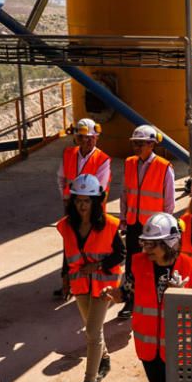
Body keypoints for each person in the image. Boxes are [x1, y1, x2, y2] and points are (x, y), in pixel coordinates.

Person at [101, 212, 192, 382]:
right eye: (145, 243)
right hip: (149, 348)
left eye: (153, 244)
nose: (147, 249)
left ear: (169, 244)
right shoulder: (137, 263)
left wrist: (183, 297)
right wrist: (118, 295)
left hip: (182, 349)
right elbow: (129, 291)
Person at [56, 174, 124, 382]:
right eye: (78, 201)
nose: (82, 205)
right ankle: (104, 358)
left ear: (96, 201)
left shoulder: (110, 224)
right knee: (93, 329)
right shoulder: (67, 226)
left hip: (104, 284)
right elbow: (67, 253)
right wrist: (64, 278)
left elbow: (120, 254)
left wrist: (98, 265)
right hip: (80, 285)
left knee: (92, 332)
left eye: (87, 200)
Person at [118, 125, 176, 319]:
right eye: (135, 144)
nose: (136, 147)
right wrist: (124, 218)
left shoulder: (164, 167)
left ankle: (154, 299)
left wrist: (165, 226)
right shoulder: (129, 163)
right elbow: (125, 193)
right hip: (134, 224)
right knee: (131, 264)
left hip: (156, 229)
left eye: (140, 144)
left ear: (151, 144)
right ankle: (130, 300)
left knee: (155, 263)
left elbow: (169, 203)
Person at [54, 118, 112, 298]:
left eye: (90, 138)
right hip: (71, 208)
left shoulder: (102, 159)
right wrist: (66, 198)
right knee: (70, 248)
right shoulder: (69, 154)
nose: (86, 141)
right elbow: (61, 178)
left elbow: (100, 187)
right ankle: (67, 284)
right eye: (82, 138)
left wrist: (86, 207)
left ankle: (89, 286)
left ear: (96, 138)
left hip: (92, 212)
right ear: (76, 138)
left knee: (90, 248)